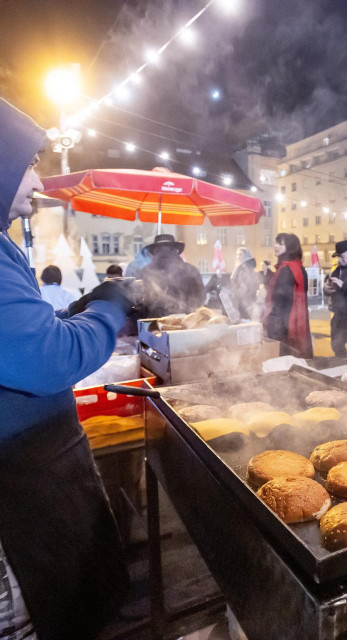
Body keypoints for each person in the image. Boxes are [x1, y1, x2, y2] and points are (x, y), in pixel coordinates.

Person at [0, 98, 132, 639]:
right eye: (27, 164)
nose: (39, 183)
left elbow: (20, 331)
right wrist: (109, 308)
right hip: (16, 501)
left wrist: (75, 312)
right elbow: (45, 357)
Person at [263, 233, 312, 358]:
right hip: (291, 325)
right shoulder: (299, 268)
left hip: (282, 327)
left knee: (281, 362)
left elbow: (279, 302)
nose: (275, 246)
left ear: (290, 247)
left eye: (280, 243)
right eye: (276, 242)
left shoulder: (286, 270)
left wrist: (269, 322)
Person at [140, 234, 205, 317]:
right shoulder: (190, 269)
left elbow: (142, 301)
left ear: (154, 252)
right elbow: (201, 298)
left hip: (155, 323)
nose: (164, 253)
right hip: (187, 322)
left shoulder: (146, 271)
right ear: (176, 250)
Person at [231, 247, 258, 320]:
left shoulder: (246, 268)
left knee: (246, 320)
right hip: (240, 299)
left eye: (240, 255)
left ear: (246, 256)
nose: (238, 257)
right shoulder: (239, 267)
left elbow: (249, 284)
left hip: (247, 300)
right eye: (237, 254)